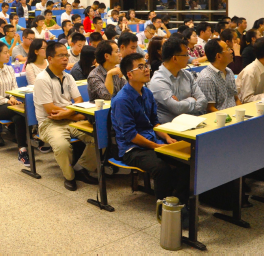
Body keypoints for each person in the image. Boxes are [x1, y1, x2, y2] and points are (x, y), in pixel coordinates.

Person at [111, 53, 189, 211]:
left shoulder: (147, 93)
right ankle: (164, 210)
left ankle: (179, 203)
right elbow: (131, 135)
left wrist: (166, 138)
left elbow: (154, 122)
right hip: (132, 149)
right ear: (129, 74)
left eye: (146, 65)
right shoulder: (122, 100)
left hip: (152, 140)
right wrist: (156, 146)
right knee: (161, 169)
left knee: (185, 162)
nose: (146, 69)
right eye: (140, 67)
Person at [33, 41, 98, 191]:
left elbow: (79, 100)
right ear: (50, 59)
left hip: (68, 119)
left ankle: (81, 168)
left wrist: (68, 114)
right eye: (61, 56)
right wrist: (74, 115)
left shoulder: (68, 77)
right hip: (49, 123)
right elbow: (50, 110)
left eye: (66, 56)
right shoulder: (42, 79)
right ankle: (69, 176)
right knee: (62, 146)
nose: (65, 59)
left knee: (98, 137)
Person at [0, 42, 28, 162]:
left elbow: (14, 87)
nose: (8, 55)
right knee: (22, 111)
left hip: (10, 104)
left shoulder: (9, 69)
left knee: (19, 118)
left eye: (8, 52)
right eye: (5, 53)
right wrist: (8, 100)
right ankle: (32, 138)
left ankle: (22, 150)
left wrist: (12, 97)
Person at [150, 37, 208, 124]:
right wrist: (192, 99)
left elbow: (203, 101)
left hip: (194, 122)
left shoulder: (187, 75)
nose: (188, 58)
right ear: (175, 58)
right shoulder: (158, 81)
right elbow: (177, 108)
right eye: (186, 55)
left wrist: (182, 103)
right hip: (172, 128)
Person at [196, 39, 241, 112]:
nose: (231, 51)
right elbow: (209, 108)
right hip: (220, 117)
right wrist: (228, 117)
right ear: (218, 56)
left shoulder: (229, 71)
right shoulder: (206, 78)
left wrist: (241, 113)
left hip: (234, 114)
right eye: (227, 49)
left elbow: (236, 98)